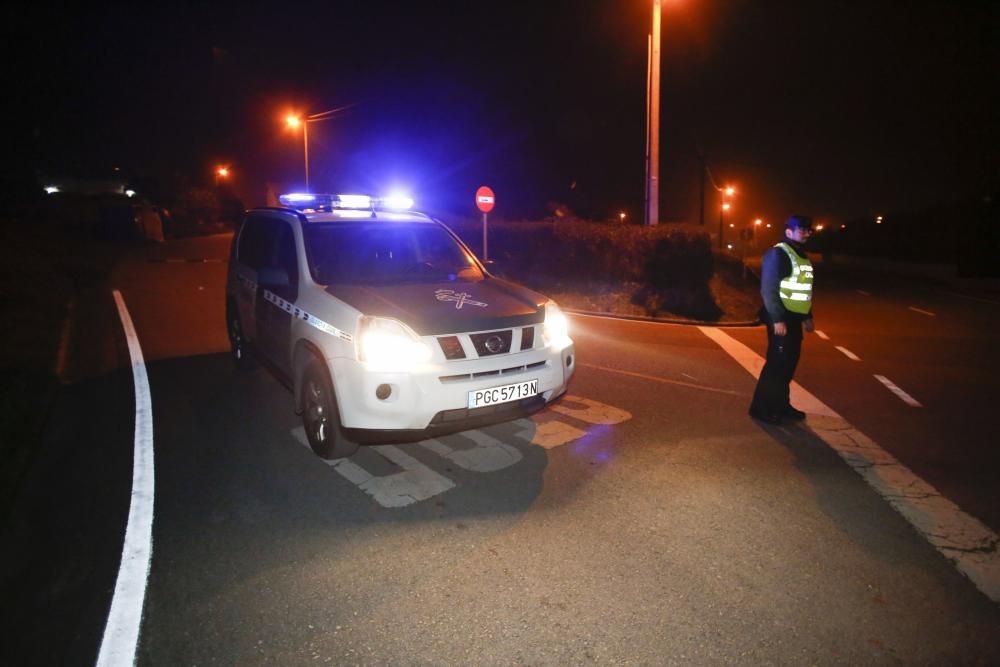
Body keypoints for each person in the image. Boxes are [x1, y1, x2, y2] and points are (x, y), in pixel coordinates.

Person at [749, 215, 815, 424]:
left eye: (808, 230)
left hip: (794, 319)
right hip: (781, 319)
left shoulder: (801, 256)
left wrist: (807, 316)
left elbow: (803, 289)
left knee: (788, 365)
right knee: (776, 365)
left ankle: (781, 406)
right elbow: (768, 288)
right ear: (788, 231)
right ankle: (761, 408)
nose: (806, 233)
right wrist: (777, 319)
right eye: (802, 229)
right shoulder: (778, 254)